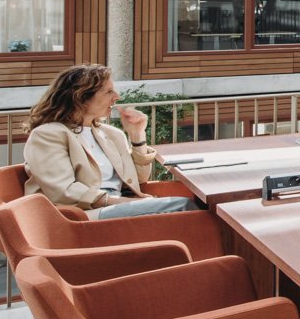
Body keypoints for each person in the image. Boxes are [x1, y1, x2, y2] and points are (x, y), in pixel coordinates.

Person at [22, 64, 194, 217]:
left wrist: (136, 135)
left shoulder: (111, 134)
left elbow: (139, 179)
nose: (117, 96)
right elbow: (64, 191)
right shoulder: (48, 135)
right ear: (80, 97)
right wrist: (121, 202)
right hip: (81, 214)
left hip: (116, 206)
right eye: (108, 91)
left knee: (199, 204)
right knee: (184, 207)